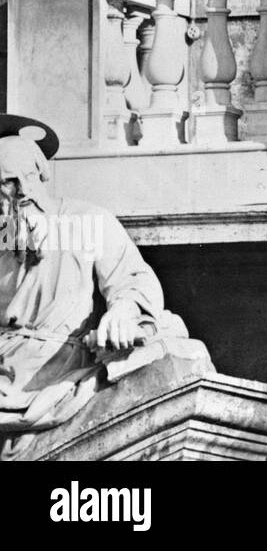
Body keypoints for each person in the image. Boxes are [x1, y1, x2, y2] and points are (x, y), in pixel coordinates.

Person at [0, 114, 189, 444]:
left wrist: (123, 312)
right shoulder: (4, 239)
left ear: (33, 181)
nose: (14, 197)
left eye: (16, 184)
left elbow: (132, 279)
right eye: (4, 190)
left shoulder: (87, 221)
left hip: (54, 369)